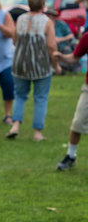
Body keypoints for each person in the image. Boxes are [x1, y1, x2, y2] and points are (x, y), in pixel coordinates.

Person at [6, 0, 62, 141]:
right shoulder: (47, 21)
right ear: (43, 5)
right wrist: (56, 64)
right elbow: (51, 45)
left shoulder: (21, 19)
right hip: (41, 65)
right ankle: (37, 133)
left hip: (20, 63)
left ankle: (15, 125)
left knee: (20, 95)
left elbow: (15, 41)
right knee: (41, 98)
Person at [54, 34, 88, 170]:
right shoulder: (86, 37)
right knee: (77, 122)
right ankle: (70, 155)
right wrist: (63, 58)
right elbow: (75, 57)